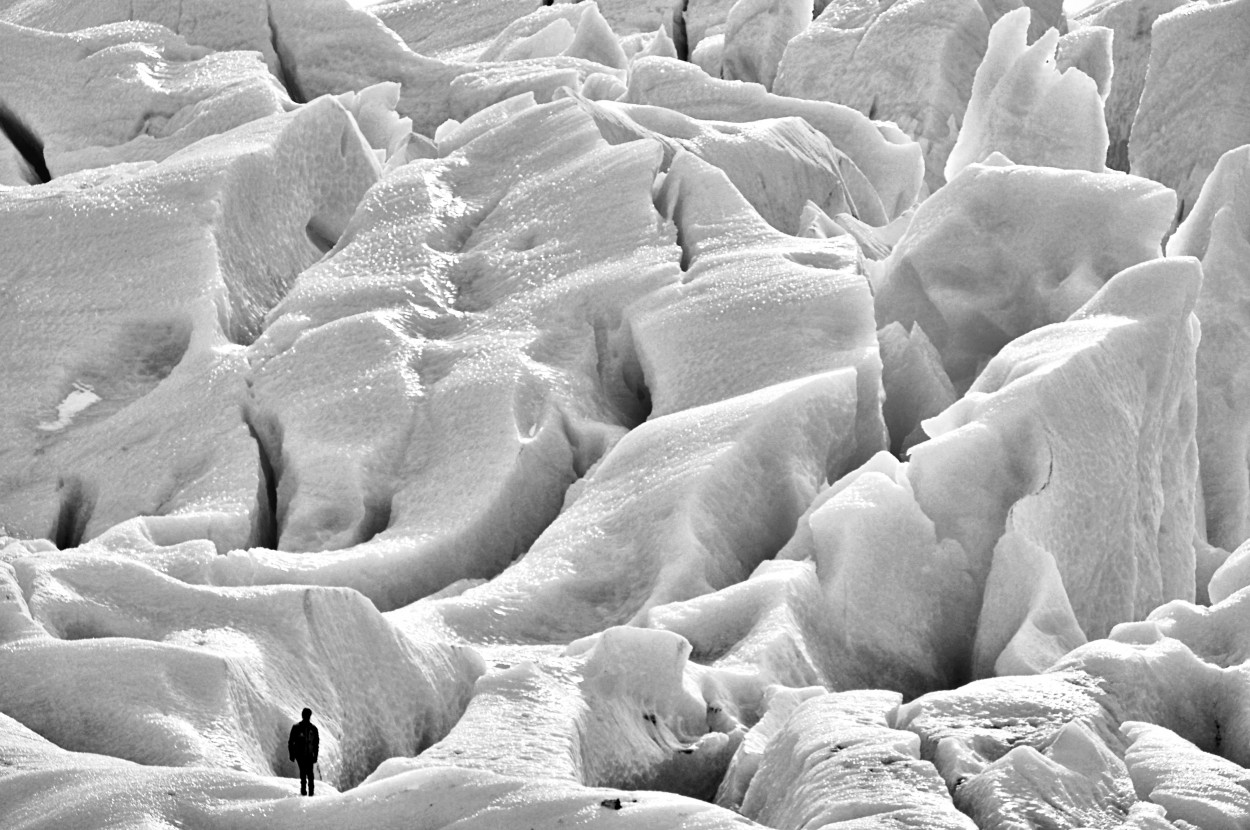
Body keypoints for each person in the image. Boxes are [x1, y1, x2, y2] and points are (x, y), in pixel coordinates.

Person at [288, 707, 319, 796]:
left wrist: (292, 754)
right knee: (308, 774)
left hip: (303, 754)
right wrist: (315, 755)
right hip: (305, 754)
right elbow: (316, 744)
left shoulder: (298, 727)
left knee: (305, 773)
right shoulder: (312, 728)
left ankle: (305, 792)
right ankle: (309, 793)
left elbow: (291, 742)